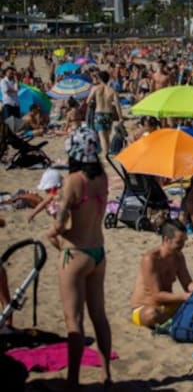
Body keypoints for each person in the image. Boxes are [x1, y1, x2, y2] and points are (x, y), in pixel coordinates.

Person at [46, 126, 113, 388]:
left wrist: (52, 229)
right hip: (98, 252)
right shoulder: (103, 178)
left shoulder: (74, 180)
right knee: (99, 315)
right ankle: (106, 374)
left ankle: (72, 380)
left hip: (75, 253)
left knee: (73, 319)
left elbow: (62, 223)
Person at [129, 220, 193, 328]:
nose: (183, 246)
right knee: (151, 314)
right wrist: (185, 296)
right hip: (145, 307)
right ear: (167, 239)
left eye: (184, 241)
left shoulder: (178, 257)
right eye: (179, 242)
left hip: (167, 306)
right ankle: (177, 323)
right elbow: (156, 295)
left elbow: (188, 285)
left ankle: (174, 322)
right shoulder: (151, 259)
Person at [87, 71, 124, 158]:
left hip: (99, 113)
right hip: (109, 113)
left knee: (102, 136)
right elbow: (118, 105)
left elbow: (88, 101)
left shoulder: (95, 88)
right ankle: (107, 152)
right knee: (107, 135)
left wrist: (93, 104)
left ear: (100, 78)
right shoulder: (112, 90)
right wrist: (120, 117)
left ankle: (105, 154)